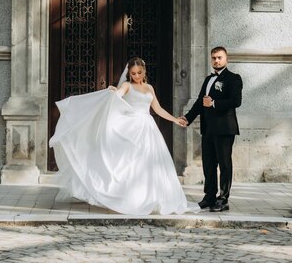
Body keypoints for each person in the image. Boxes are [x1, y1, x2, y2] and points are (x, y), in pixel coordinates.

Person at [49, 57, 200, 215]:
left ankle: (154, 198)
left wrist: (175, 119)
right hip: (132, 127)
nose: (136, 76)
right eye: (133, 73)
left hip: (148, 128)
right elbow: (117, 96)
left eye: (139, 73)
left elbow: (158, 109)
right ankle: (130, 199)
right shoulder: (127, 85)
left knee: (151, 164)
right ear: (129, 73)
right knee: (130, 164)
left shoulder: (149, 88)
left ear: (144, 71)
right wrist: (114, 92)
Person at [181, 46, 242, 212]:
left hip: (224, 129)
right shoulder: (208, 79)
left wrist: (214, 103)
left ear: (226, 59)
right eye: (214, 57)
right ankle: (209, 197)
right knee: (208, 164)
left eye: (219, 57)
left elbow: (236, 101)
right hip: (208, 129)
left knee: (224, 164)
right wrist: (187, 118)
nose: (216, 60)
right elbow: (200, 102)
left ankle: (223, 199)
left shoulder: (234, 78)